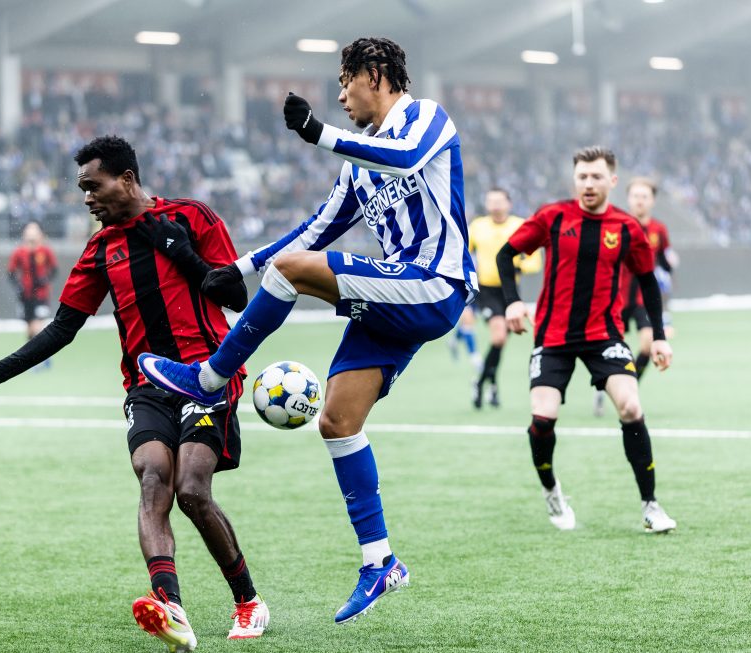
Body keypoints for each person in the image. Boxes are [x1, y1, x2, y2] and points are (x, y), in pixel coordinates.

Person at [137, 37, 477, 624]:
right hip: (395, 294)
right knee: (337, 421)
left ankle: (210, 378)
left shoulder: (425, 118)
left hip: (433, 282)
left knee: (294, 273)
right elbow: (318, 228)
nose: (341, 96)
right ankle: (380, 562)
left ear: (376, 75)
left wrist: (318, 133)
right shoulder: (357, 164)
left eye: (346, 82)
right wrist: (241, 268)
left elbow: (403, 160)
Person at [0, 135, 268, 651]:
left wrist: (181, 253)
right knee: (153, 478)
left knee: (191, 489)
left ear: (127, 179)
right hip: (146, 386)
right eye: (83, 190)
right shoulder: (100, 249)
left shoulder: (191, 217)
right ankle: (171, 608)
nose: (87, 199)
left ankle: (248, 602)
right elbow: (60, 329)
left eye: (93, 187)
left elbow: (236, 295)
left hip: (207, 376)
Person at [496, 146, 677, 534]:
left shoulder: (627, 228)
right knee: (542, 419)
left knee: (631, 406)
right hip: (553, 336)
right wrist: (512, 302)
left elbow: (648, 282)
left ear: (612, 180)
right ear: (574, 179)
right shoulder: (553, 216)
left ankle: (651, 505)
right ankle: (551, 491)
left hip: (604, 335)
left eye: (596, 177)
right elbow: (505, 254)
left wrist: (659, 337)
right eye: (582, 177)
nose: (588, 184)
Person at [593, 177, 678, 416]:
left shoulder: (659, 230)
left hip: (643, 299)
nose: (639, 201)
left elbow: (665, 263)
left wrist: (668, 265)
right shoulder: (615, 225)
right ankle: (603, 387)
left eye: (644, 196)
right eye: (635, 196)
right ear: (628, 198)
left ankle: (629, 389)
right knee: (608, 347)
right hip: (615, 298)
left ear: (652, 201)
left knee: (648, 344)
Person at [466, 187, 542, 408]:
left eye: (499, 201)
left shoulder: (520, 225)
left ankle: (486, 383)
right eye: (491, 201)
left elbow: (534, 258)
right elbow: (463, 254)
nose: (495, 205)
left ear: (509, 203)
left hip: (510, 292)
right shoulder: (477, 226)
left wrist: (520, 266)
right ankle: (484, 384)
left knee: (500, 344)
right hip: (487, 290)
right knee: (498, 338)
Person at [8, 221, 58, 343]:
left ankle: (40, 350)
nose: (32, 233)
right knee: (30, 327)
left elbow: (54, 269)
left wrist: (45, 279)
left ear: (40, 234)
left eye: (35, 230)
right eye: (29, 230)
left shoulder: (45, 251)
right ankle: (33, 349)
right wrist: (18, 286)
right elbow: (11, 272)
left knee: (38, 324)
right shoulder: (19, 252)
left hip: (41, 294)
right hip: (25, 295)